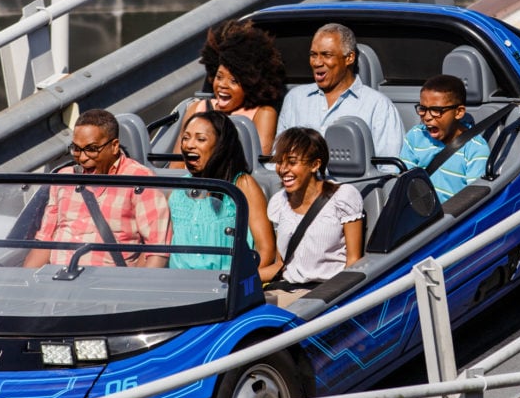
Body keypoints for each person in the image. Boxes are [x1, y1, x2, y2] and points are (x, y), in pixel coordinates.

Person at [24, 109, 171, 268]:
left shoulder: (140, 180)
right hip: (57, 280)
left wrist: (134, 290)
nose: (82, 157)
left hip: (106, 285)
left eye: (92, 149)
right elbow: (45, 241)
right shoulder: (64, 179)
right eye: (77, 149)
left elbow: (157, 250)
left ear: (114, 146)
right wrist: (23, 286)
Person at [168, 110, 280, 281]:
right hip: (180, 286)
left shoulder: (242, 185)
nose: (189, 145)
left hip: (226, 286)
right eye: (186, 137)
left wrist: (241, 284)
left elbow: (266, 250)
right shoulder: (177, 192)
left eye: (200, 139)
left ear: (220, 145)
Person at [264, 127, 364, 307]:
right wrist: (237, 279)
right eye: (279, 162)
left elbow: (353, 262)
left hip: (323, 294)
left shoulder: (343, 197)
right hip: (284, 290)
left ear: (315, 165)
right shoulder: (279, 202)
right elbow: (281, 264)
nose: (283, 169)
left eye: (292, 162)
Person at [276, 23, 404, 157]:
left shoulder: (378, 106)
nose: (317, 62)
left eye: (326, 55)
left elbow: (390, 171)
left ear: (349, 58)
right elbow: (277, 159)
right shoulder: (295, 99)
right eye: (313, 55)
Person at [170, 19, 286, 165]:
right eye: (219, 77)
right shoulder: (196, 108)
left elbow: (259, 167)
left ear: (250, 83)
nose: (222, 85)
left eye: (234, 81)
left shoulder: (263, 114)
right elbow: (176, 165)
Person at [399, 74, 490, 202]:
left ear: (458, 112)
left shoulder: (475, 148)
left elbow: (473, 200)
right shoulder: (416, 136)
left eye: (436, 110)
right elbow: (405, 183)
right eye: (423, 109)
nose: (427, 117)